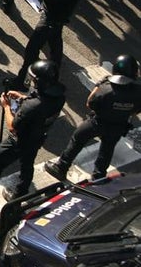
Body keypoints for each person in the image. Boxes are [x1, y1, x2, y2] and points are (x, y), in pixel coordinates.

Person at [0, 61, 66, 208]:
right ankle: (19, 194)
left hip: (20, 140)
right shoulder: (58, 96)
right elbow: (41, 103)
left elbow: (13, 126)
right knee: (27, 164)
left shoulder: (31, 107)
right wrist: (21, 97)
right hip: (37, 137)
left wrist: (6, 106)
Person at [45, 54, 141, 182]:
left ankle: (61, 166)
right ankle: (98, 176)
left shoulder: (106, 89)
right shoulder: (138, 92)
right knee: (107, 149)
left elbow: (90, 103)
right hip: (118, 126)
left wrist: (99, 84)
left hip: (97, 122)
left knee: (78, 138)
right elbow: (136, 111)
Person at [10, 0, 83, 89]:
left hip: (49, 21)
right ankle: (54, 74)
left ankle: (21, 81)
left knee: (31, 52)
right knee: (55, 47)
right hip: (59, 20)